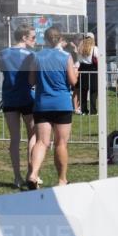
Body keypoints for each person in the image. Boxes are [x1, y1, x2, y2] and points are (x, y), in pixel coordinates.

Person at [25, 27, 78, 188]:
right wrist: (76, 73)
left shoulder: (37, 56)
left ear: (46, 40)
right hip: (62, 103)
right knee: (61, 143)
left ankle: (33, 174)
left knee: (41, 142)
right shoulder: (66, 57)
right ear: (60, 38)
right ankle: (62, 180)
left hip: (42, 104)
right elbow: (72, 81)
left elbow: (31, 81)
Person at [0, 25, 37, 188]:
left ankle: (17, 177)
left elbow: (3, 71)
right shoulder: (31, 55)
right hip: (27, 97)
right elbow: (32, 79)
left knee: (14, 139)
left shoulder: (4, 53)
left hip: (9, 97)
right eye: (33, 37)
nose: (35, 40)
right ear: (24, 37)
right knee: (32, 136)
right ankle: (32, 173)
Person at [77, 33, 99, 115]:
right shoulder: (95, 49)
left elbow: (79, 60)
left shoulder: (80, 48)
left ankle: (83, 110)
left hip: (82, 70)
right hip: (93, 70)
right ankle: (93, 111)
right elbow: (98, 59)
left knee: (83, 91)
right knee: (93, 92)